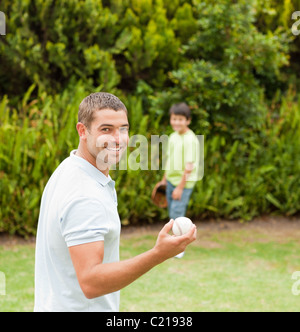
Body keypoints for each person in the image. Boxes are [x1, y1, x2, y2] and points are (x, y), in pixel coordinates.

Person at [34, 92, 197, 312]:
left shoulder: (69, 168)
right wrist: (157, 254)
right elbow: (91, 282)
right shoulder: (85, 195)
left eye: (123, 129)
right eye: (106, 129)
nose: (118, 138)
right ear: (83, 131)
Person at [161, 103, 200, 258]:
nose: (176, 122)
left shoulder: (191, 139)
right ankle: (174, 244)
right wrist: (164, 180)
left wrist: (180, 188)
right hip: (171, 180)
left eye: (180, 119)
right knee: (173, 215)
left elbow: (189, 167)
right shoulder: (173, 136)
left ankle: (179, 248)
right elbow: (169, 160)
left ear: (188, 121)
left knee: (178, 215)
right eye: (174, 118)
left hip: (182, 183)